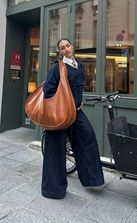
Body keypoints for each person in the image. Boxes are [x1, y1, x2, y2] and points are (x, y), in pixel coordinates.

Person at [42, 38, 104, 199]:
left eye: (68, 46)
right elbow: (48, 91)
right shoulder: (57, 67)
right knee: (56, 149)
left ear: (72, 46)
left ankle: (92, 178)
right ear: (60, 51)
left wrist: (78, 100)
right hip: (60, 114)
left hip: (76, 112)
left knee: (88, 136)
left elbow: (77, 87)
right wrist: (64, 103)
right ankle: (53, 190)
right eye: (62, 48)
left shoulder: (79, 65)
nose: (66, 49)